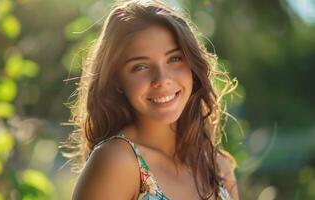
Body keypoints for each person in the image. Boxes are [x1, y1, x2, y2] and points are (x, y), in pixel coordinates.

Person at [63, 0, 239, 199]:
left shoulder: (218, 167)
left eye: (174, 59)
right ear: (117, 79)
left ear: (192, 65)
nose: (162, 80)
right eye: (140, 67)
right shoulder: (117, 161)